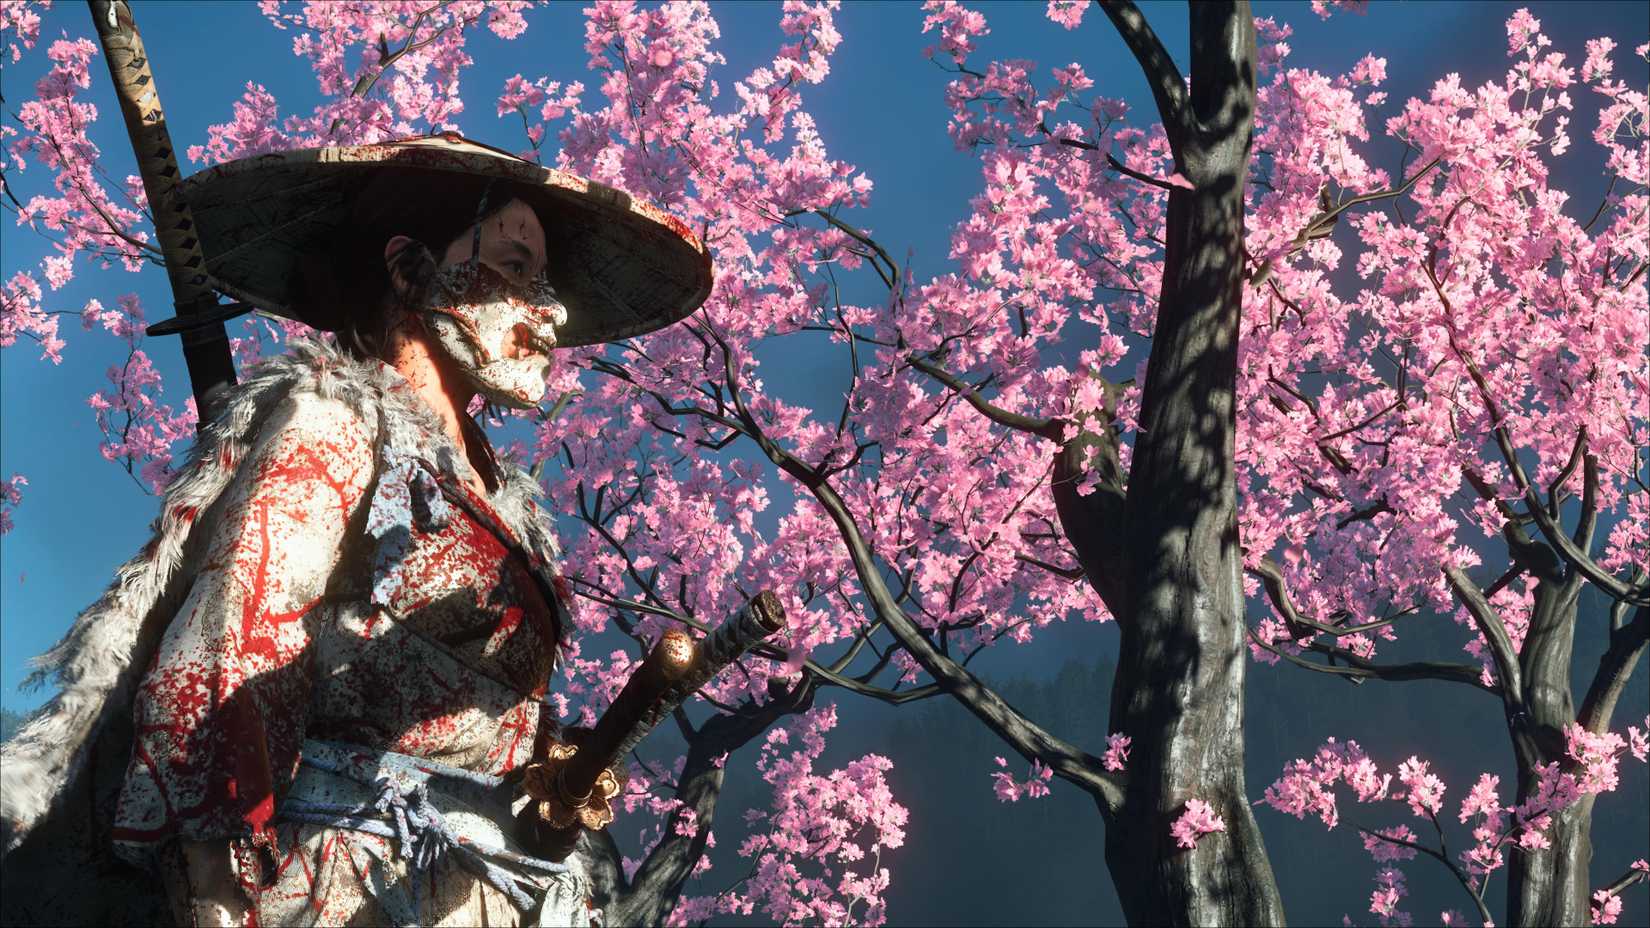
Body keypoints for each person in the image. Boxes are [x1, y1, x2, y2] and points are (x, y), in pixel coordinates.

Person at [0, 134, 713, 927]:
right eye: (516, 269)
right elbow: (224, 658)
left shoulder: (505, 505)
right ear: (410, 268)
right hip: (339, 879)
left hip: (487, 890)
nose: (550, 311)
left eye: (545, 281)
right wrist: (214, 891)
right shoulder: (333, 423)